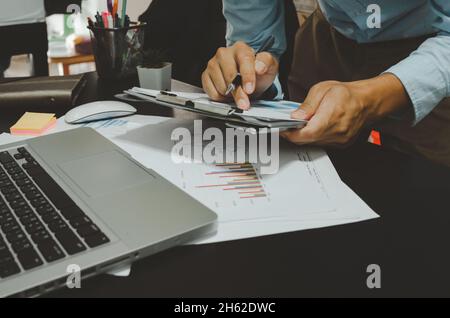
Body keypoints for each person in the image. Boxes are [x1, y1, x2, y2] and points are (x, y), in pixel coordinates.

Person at [202, 1, 450, 167]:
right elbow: (254, 31)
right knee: (301, 167)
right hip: (328, 36)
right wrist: (251, 71)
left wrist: (372, 98)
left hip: (435, 44)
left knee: (424, 197)